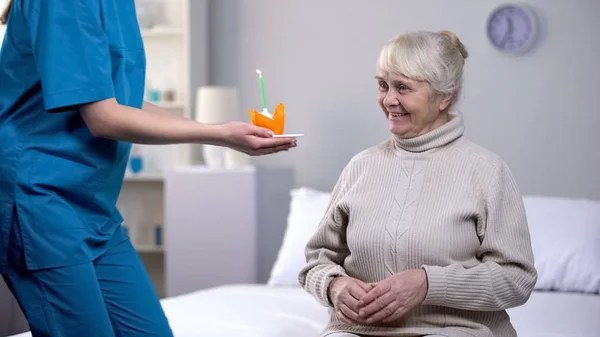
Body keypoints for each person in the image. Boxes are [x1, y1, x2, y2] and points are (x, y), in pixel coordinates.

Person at [0, 0, 296, 336]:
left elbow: (115, 100)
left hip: (91, 205)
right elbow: (104, 119)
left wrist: (216, 128)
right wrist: (218, 135)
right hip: (38, 199)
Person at [298, 30, 537, 337]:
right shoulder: (361, 167)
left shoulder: (486, 171)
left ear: (444, 96)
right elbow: (316, 261)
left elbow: (515, 280)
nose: (388, 100)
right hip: (356, 330)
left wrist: (427, 284)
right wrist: (334, 285)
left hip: (458, 331)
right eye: (383, 85)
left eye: (403, 88)